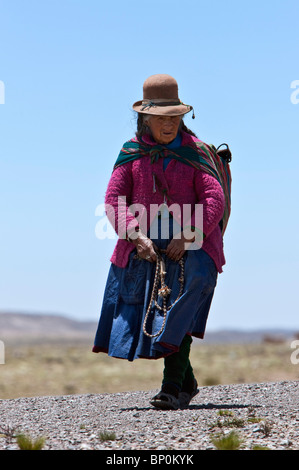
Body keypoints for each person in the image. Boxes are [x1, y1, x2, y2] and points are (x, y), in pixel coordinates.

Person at [93, 74, 232, 410]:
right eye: (161, 119)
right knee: (154, 311)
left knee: (181, 304)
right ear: (145, 118)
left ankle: (171, 387)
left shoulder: (196, 153)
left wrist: (189, 235)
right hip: (146, 247)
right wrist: (135, 235)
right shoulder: (131, 154)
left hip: (194, 244)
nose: (169, 125)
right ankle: (186, 382)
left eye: (174, 118)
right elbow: (114, 200)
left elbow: (214, 198)